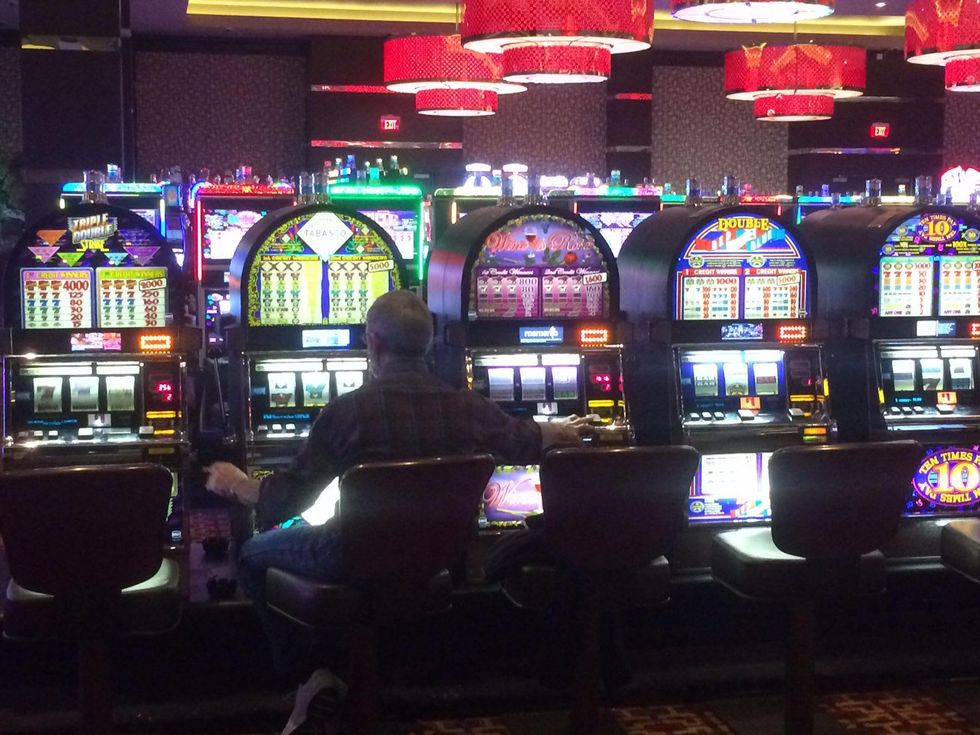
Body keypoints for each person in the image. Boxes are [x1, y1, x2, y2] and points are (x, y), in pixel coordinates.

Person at [205, 290, 591, 735]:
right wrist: (558, 429)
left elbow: (280, 502)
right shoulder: (469, 408)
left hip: (351, 553)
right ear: (429, 345)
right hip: (437, 556)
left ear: (373, 342)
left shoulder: (348, 412)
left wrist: (235, 482)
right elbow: (526, 439)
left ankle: (310, 672)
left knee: (252, 552)